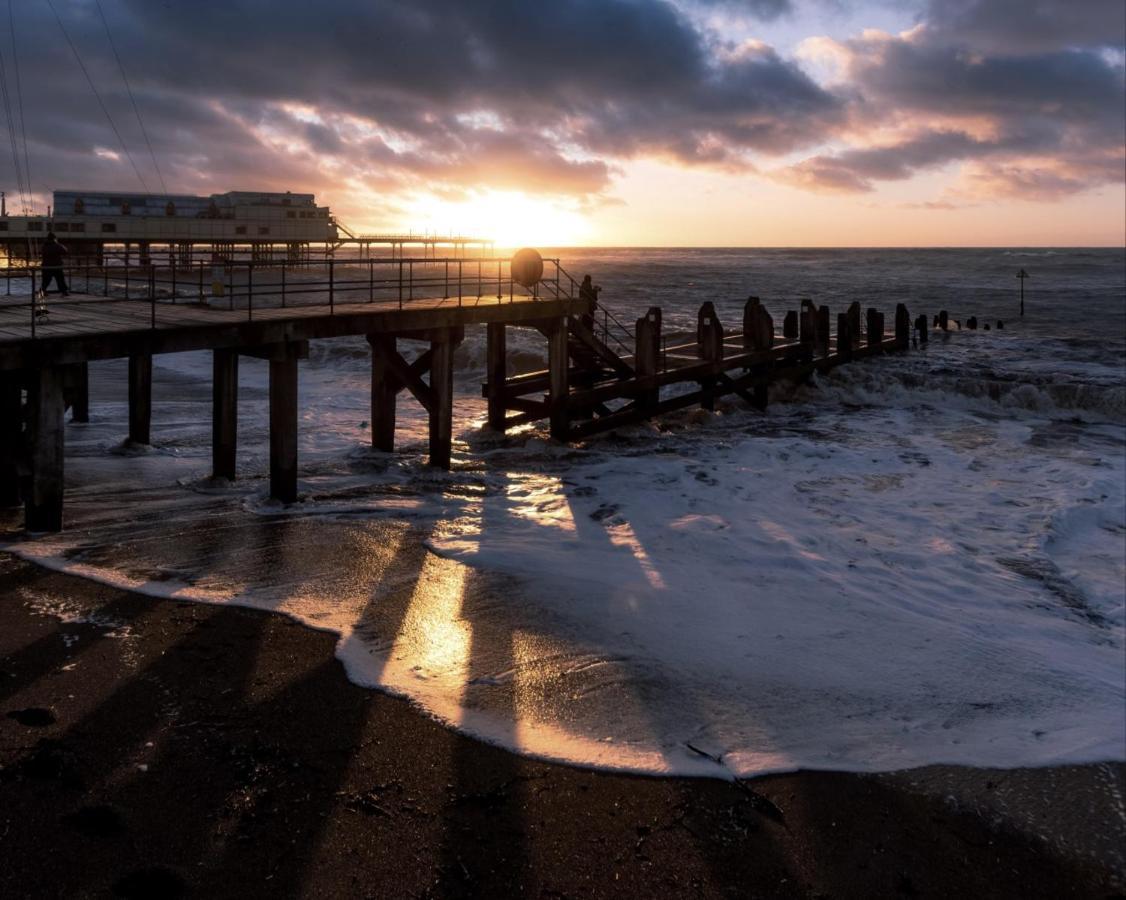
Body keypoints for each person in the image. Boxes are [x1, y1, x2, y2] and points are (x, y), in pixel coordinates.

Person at [40, 231, 69, 299]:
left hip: (46, 266)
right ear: (54, 238)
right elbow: (65, 251)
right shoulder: (57, 245)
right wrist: (59, 244)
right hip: (56, 265)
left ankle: (42, 291)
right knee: (60, 279)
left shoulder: (44, 246)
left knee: (46, 280)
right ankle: (64, 291)